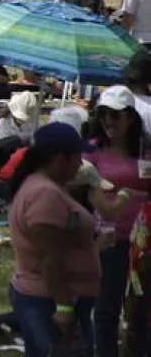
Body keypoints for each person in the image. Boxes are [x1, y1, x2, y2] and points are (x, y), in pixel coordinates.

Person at [7, 122, 101, 356]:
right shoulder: (45, 194)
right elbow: (49, 256)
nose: (80, 164)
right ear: (60, 158)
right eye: (77, 157)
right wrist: (64, 307)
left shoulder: (46, 187)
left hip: (51, 297)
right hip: (48, 299)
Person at [83, 86, 147, 357]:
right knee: (107, 309)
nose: (108, 121)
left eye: (115, 115)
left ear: (130, 117)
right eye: (103, 114)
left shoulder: (146, 149)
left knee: (141, 310)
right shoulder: (92, 150)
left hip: (143, 243)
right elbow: (83, 187)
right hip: (108, 238)